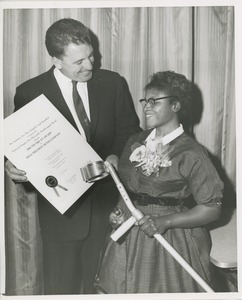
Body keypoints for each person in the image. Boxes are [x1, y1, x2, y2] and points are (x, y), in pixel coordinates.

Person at [5, 18, 141, 294]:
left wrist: (116, 155)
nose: (90, 65)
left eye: (90, 56)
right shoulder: (30, 92)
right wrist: (11, 165)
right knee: (60, 289)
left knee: (105, 287)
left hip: (108, 207)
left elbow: (130, 132)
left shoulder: (113, 83)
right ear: (56, 60)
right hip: (61, 214)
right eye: (78, 62)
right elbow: (23, 146)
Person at [95, 71, 224, 293]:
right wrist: (118, 210)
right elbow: (126, 188)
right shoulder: (134, 141)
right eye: (145, 100)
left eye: (154, 101)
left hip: (167, 237)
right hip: (126, 235)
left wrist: (166, 222)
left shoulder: (192, 153)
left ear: (175, 106)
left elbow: (212, 209)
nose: (146, 106)